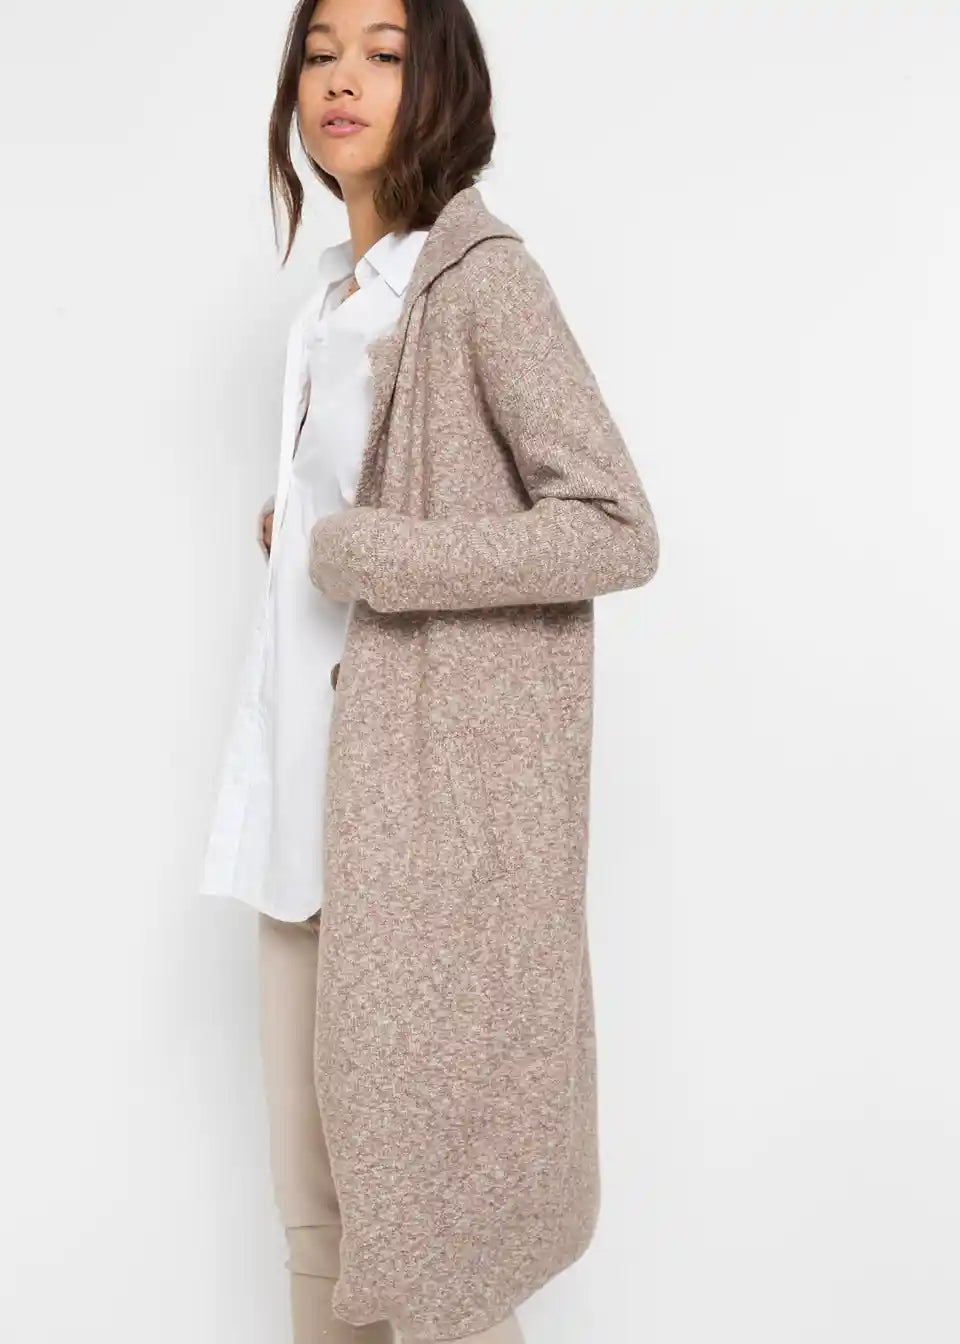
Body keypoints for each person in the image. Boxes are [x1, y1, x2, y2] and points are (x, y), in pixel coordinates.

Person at [199, 1, 660, 1341]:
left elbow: (616, 528)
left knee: (434, 1260)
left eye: (384, 54)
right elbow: (360, 524)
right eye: (320, 52)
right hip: (299, 826)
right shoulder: (332, 307)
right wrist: (303, 531)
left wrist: (374, 550)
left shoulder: (481, 282)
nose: (342, 78)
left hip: (414, 853)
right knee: (321, 1241)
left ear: (443, 81)